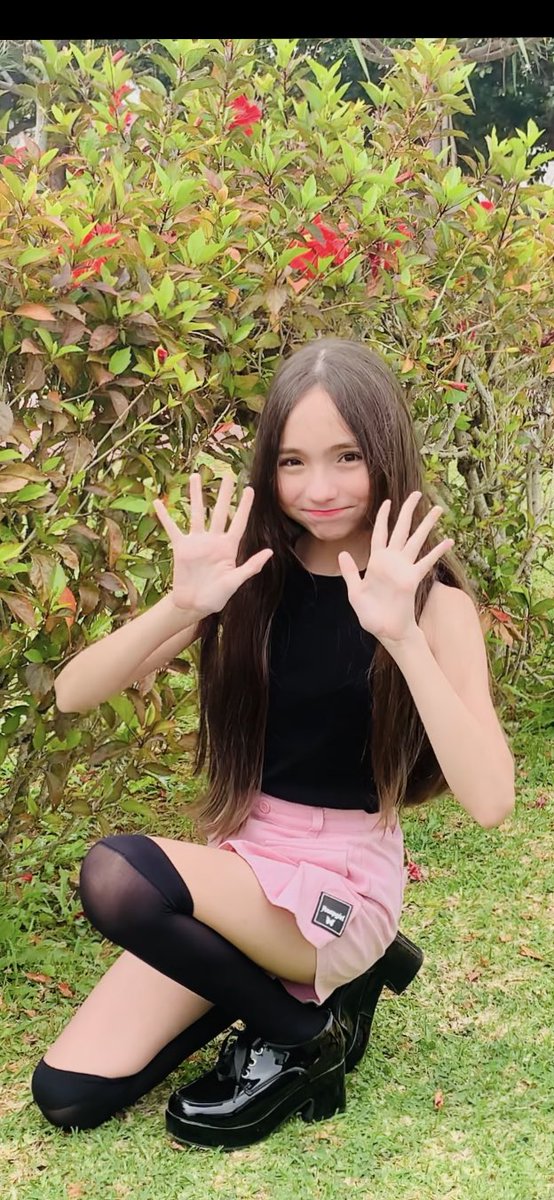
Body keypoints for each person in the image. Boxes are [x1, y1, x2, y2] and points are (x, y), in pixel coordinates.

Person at [31, 339, 515, 1149]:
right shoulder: (251, 574)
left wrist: (401, 636)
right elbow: (73, 693)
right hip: (244, 872)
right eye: (293, 462)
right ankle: (297, 993)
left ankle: (304, 1034)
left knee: (121, 876)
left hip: (340, 888)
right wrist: (184, 604)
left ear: (386, 452)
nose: (318, 488)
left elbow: (493, 801)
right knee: (67, 1094)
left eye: (346, 457)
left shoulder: (432, 605)